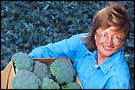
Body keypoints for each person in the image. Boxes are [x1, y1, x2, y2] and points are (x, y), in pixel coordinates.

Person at [28, 2, 130, 89]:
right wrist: (26, 61)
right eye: (104, 35)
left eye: (116, 37)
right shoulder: (81, 42)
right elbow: (47, 52)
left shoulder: (118, 80)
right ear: (95, 34)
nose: (109, 42)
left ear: (124, 41)